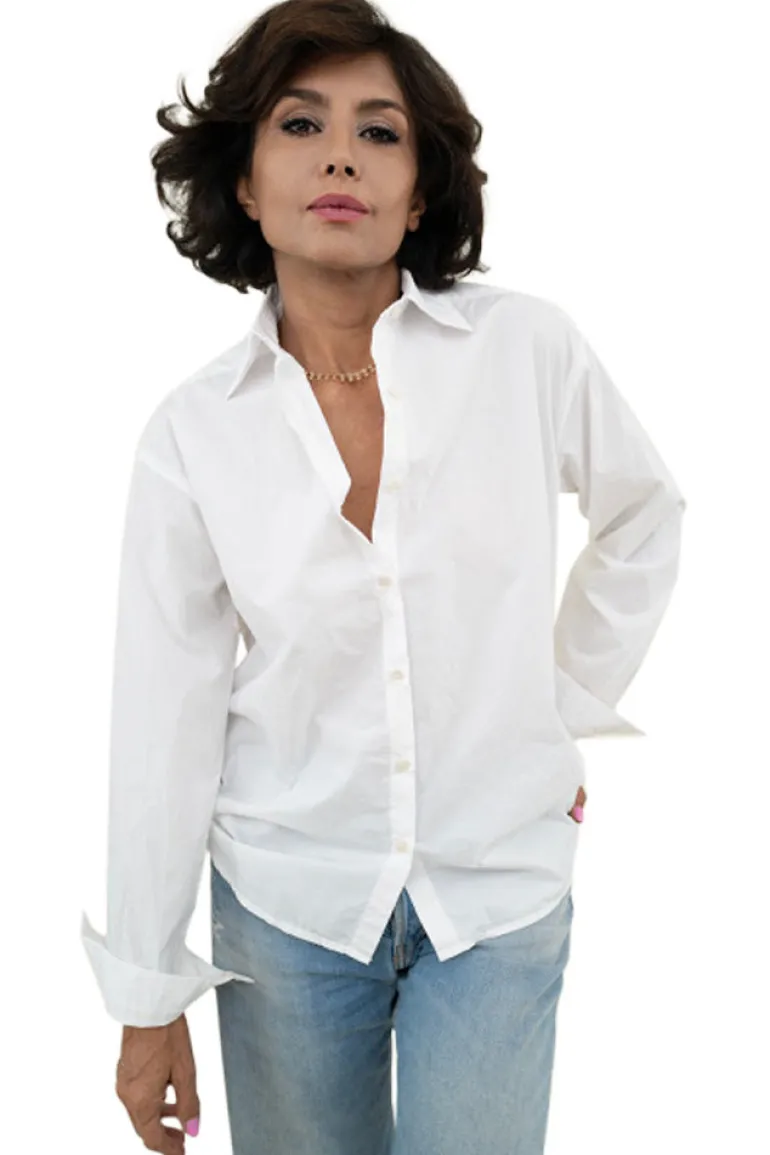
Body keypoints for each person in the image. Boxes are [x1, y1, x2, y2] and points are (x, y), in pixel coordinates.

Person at [80, 1, 686, 1152]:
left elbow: (643, 514)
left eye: (379, 131)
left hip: (497, 887)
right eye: (299, 124)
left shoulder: (526, 350)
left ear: (419, 192)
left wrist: (555, 704)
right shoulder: (193, 433)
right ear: (244, 181)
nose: (340, 156)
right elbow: (162, 716)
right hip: (287, 903)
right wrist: (147, 995)